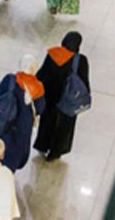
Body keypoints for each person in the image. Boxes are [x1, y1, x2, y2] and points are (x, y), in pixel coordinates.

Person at [34, 32, 91, 162]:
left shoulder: (52, 54)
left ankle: (42, 144)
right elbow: (84, 83)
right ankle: (55, 152)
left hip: (49, 97)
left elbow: (41, 75)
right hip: (68, 100)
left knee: (47, 121)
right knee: (64, 127)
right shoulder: (80, 60)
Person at [0, 55, 44, 172]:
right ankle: (9, 171)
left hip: (5, 120)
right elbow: (40, 108)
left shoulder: (9, 79)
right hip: (23, 126)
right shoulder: (38, 87)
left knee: (3, 144)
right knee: (17, 150)